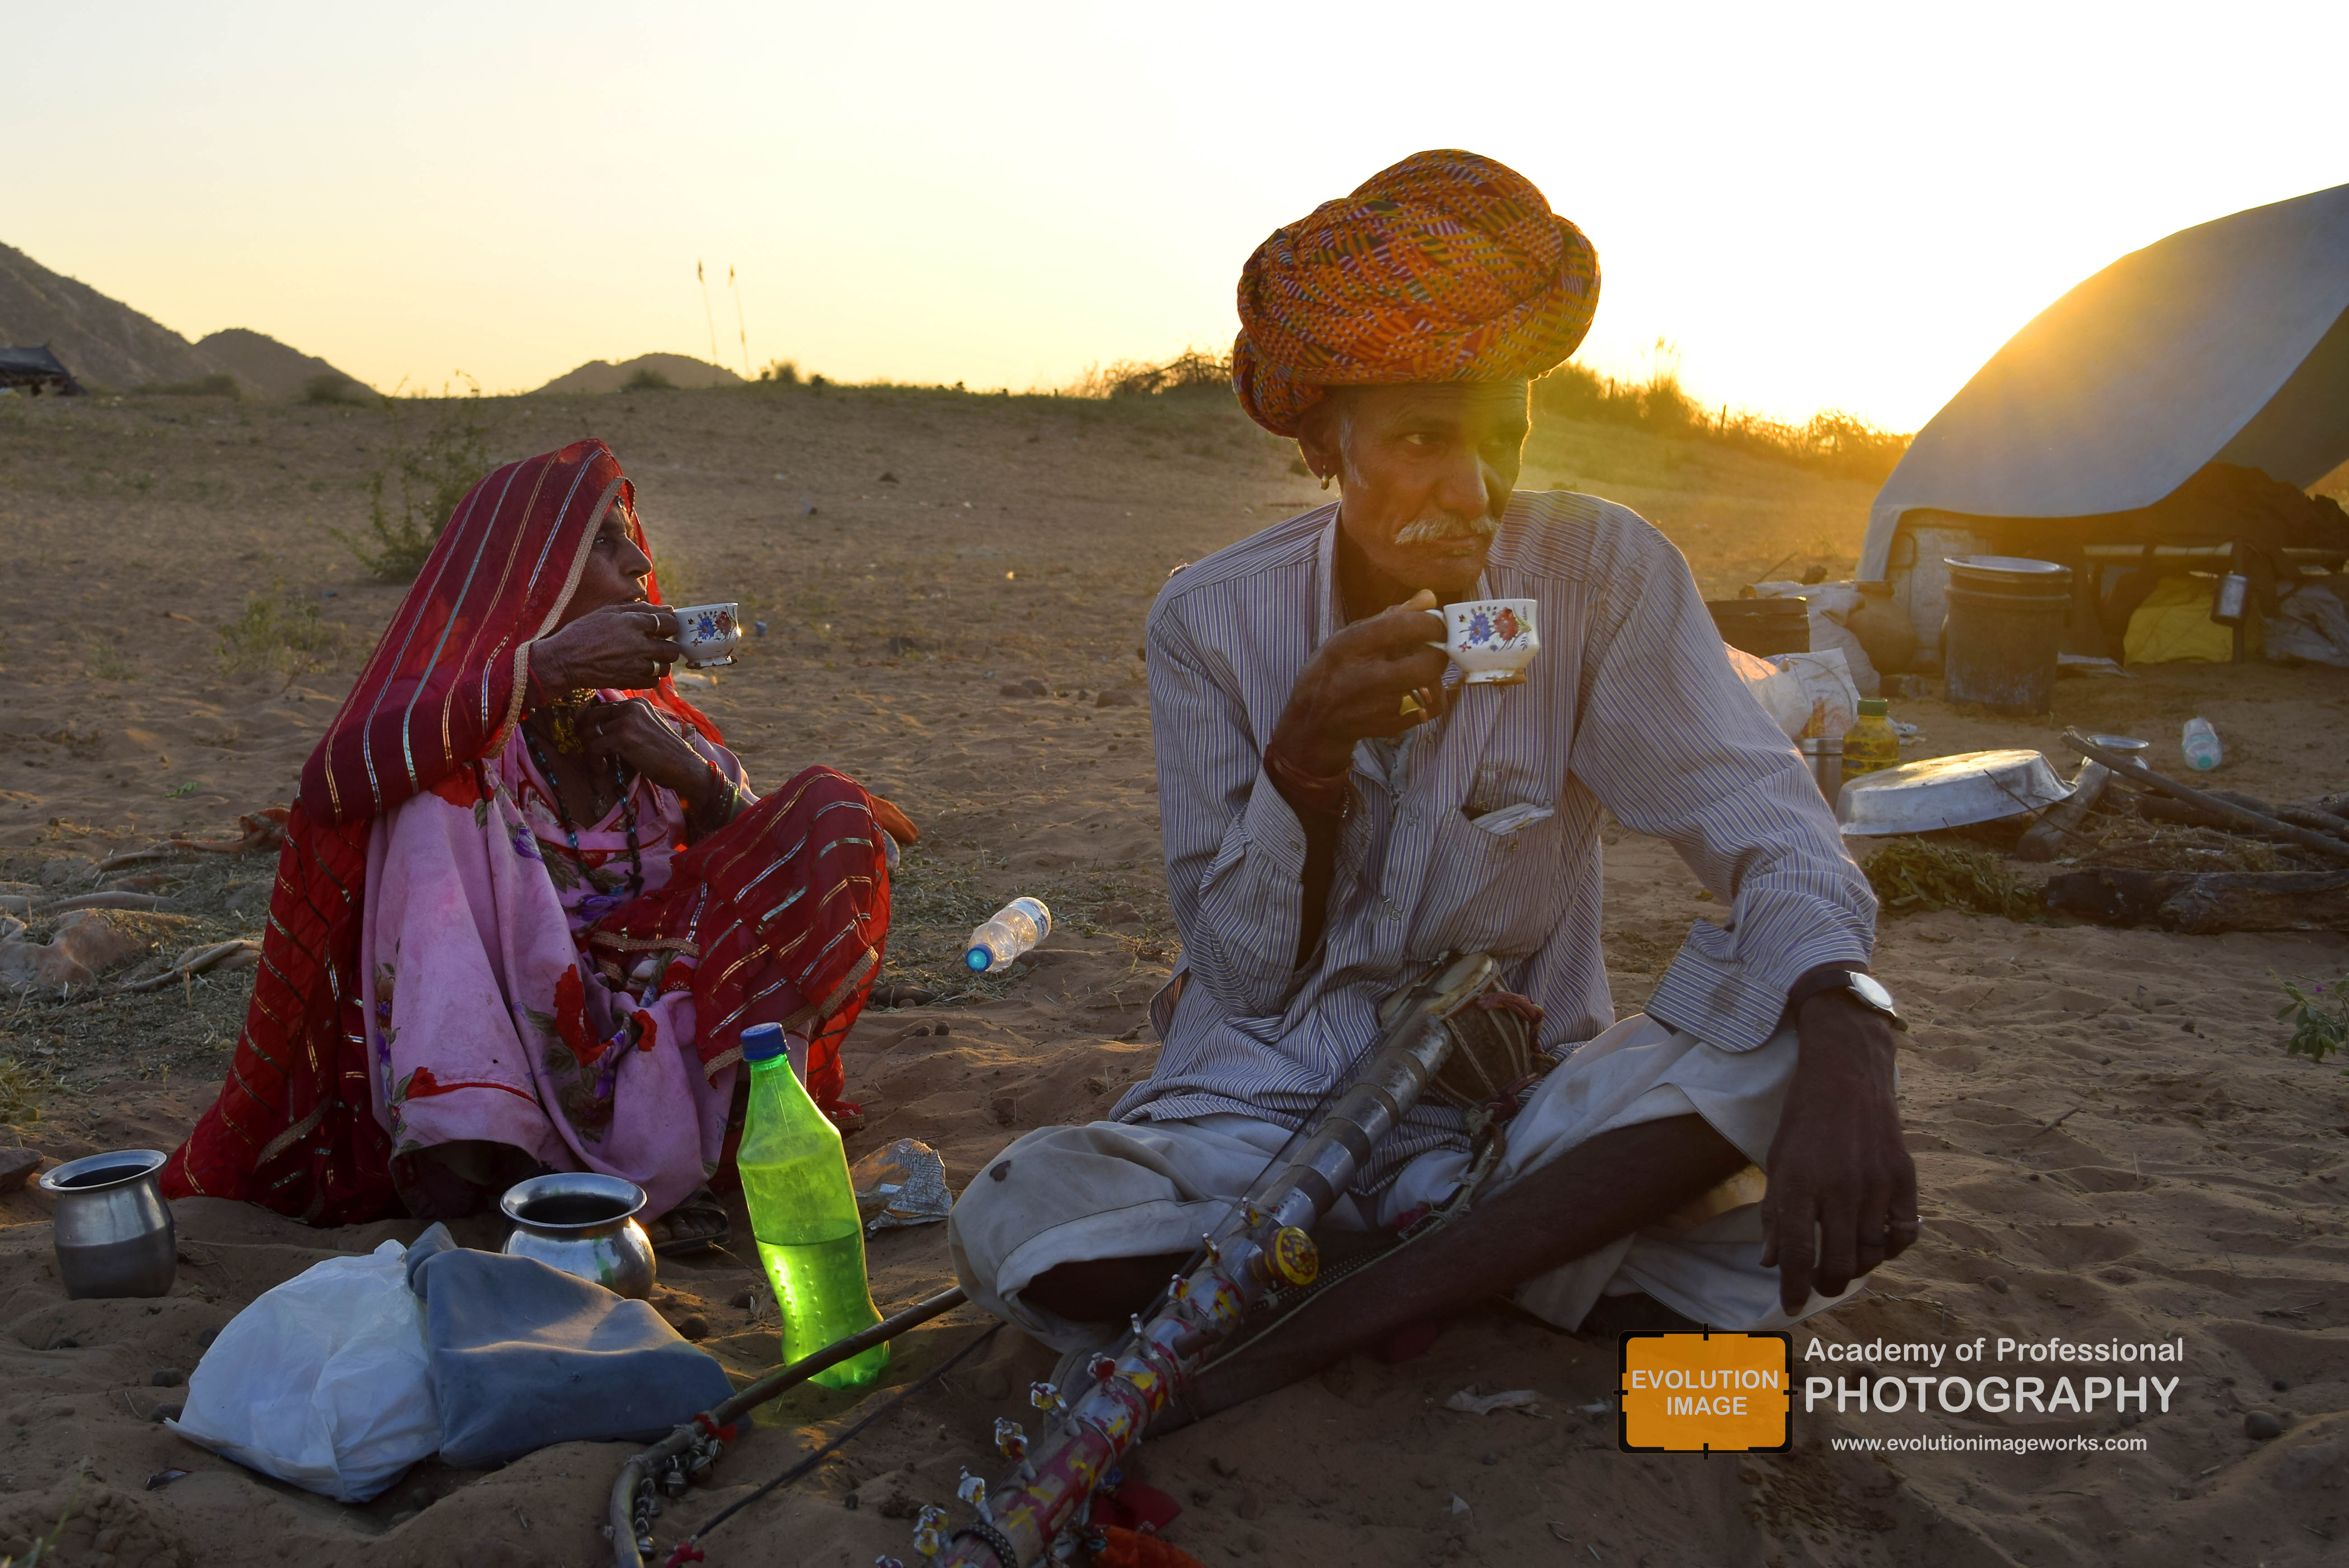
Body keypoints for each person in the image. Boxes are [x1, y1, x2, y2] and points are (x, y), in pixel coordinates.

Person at [948, 151, 1916, 1410]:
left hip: (1511, 1111)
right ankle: (1473, 1269)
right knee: (1020, 1221)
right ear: (1324, 443)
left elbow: (1768, 826)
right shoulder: (1211, 622)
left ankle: (1330, 1304)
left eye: (1504, 439)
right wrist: (1303, 762)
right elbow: (1241, 972)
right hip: (1253, 1114)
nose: (1473, 494)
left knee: (1802, 1013)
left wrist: (1852, 1031)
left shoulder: (1596, 577)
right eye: (1420, 439)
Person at [164, 439, 910, 1243]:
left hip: (657, 998)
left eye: (631, 539)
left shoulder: (653, 728)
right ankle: (481, 1155)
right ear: (533, 576)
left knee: (834, 806)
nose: (638, 562)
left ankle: (700, 1143)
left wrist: (700, 784)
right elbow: (333, 785)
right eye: (604, 542)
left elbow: (768, 870)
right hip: (515, 1027)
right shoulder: (461, 728)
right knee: (435, 800)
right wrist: (544, 669)